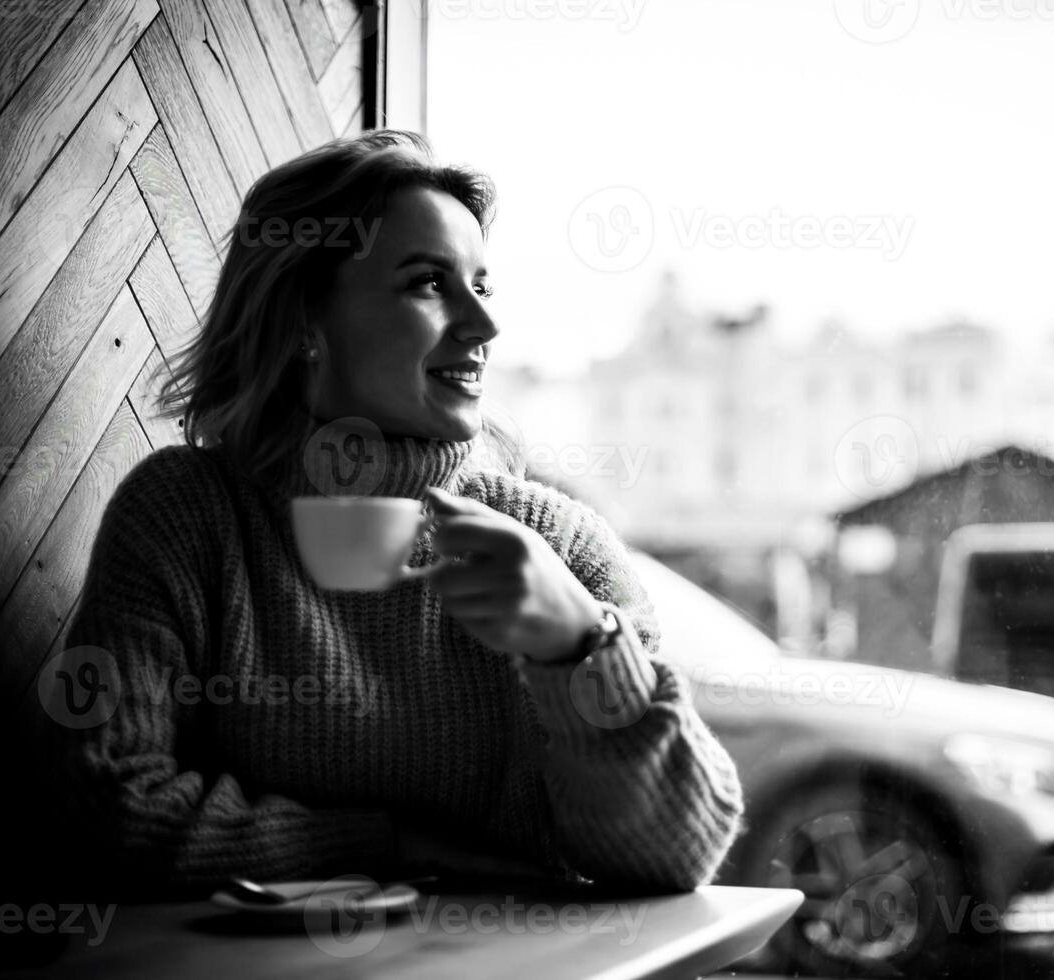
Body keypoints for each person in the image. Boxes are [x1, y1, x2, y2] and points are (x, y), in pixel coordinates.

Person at [49, 129, 743, 895]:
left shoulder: (558, 545)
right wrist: (394, 847)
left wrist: (577, 644)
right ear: (306, 322)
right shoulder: (186, 515)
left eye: (482, 285)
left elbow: (680, 854)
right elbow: (109, 811)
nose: (483, 326)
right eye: (428, 283)